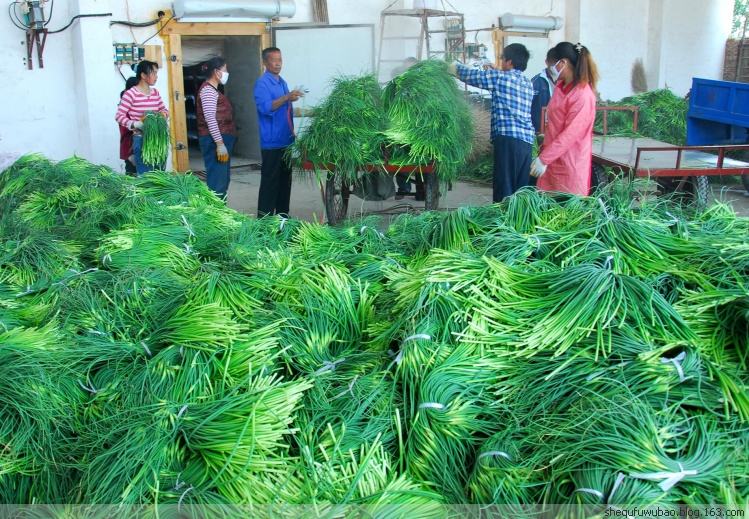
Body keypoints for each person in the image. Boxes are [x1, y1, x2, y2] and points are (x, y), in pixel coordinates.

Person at [450, 43, 535, 202]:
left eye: (503, 59)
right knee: (521, 189)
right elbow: (506, 82)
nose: (501, 62)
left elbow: (473, 76)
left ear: (509, 61)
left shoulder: (500, 78)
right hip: (526, 142)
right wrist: (496, 71)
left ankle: (502, 220)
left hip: (508, 140)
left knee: (505, 187)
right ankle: (518, 222)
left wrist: (453, 67)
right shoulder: (527, 83)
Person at [530, 42, 599, 196]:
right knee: (546, 211)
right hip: (552, 160)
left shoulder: (582, 95)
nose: (550, 70)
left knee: (565, 214)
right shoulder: (561, 87)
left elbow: (570, 134)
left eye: (552, 65)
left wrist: (544, 159)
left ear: (563, 63)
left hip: (570, 163)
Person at [253, 47, 304, 217]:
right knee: (270, 182)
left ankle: (283, 217)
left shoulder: (282, 82)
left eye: (280, 60)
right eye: (274, 60)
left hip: (286, 140)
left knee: (285, 182)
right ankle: (265, 219)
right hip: (272, 142)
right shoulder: (262, 84)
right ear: (265, 62)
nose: (278, 63)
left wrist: (292, 130)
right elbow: (266, 108)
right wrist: (286, 97)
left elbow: (286, 109)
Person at [115, 60, 169, 176]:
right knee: (145, 177)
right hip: (141, 139)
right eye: (153, 73)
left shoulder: (155, 93)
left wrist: (163, 116)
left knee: (159, 176)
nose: (156, 76)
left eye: (156, 73)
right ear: (143, 75)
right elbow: (119, 116)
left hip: (158, 139)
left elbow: (164, 110)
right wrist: (136, 124)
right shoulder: (130, 94)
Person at [196, 57, 236, 200]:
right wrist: (219, 144)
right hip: (214, 142)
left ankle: (220, 211)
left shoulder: (213, 90)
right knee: (217, 182)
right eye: (225, 69)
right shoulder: (208, 91)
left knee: (222, 180)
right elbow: (210, 118)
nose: (227, 73)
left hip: (220, 140)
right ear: (216, 72)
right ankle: (216, 214)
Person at [530, 48, 559, 134]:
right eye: (554, 63)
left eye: (559, 63)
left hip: (557, 128)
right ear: (547, 62)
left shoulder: (566, 82)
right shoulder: (537, 82)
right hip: (539, 130)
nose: (556, 67)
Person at [118, 76, 139, 177]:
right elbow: (125, 130)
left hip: (137, 147)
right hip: (131, 148)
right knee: (132, 177)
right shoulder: (125, 107)